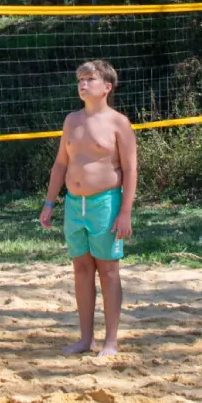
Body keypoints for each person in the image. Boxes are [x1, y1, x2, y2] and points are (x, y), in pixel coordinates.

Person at [39, 60, 138, 357]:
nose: (82, 84)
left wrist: (125, 212)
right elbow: (60, 164)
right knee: (81, 270)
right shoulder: (72, 120)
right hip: (73, 203)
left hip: (106, 203)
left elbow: (131, 170)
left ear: (107, 87)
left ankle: (110, 342)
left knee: (108, 271)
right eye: (80, 79)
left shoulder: (118, 122)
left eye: (89, 79)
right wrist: (49, 202)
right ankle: (85, 339)